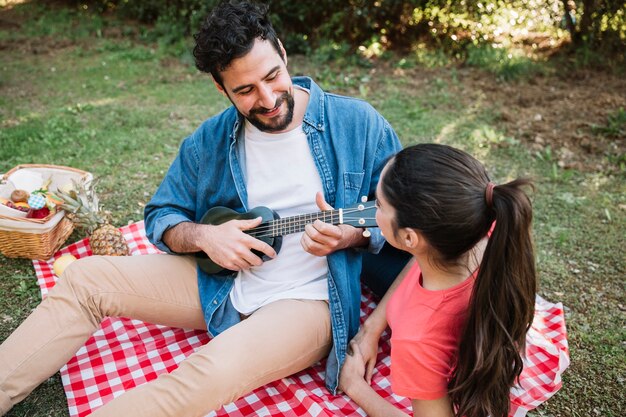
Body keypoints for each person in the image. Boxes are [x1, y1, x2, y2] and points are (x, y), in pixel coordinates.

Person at [0, 1, 403, 416]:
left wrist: (353, 234)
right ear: (220, 88)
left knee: (204, 372)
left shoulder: (357, 122)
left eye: (272, 76)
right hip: (223, 284)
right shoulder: (208, 141)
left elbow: (408, 215)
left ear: (282, 52)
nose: (267, 99)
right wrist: (205, 237)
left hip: (311, 300)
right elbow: (162, 216)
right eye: (245, 90)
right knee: (85, 280)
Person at [339, 144, 537, 417]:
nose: (373, 210)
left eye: (380, 205)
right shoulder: (481, 225)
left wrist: (354, 386)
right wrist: (372, 327)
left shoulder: (416, 338)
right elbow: (419, 265)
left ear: (410, 238)